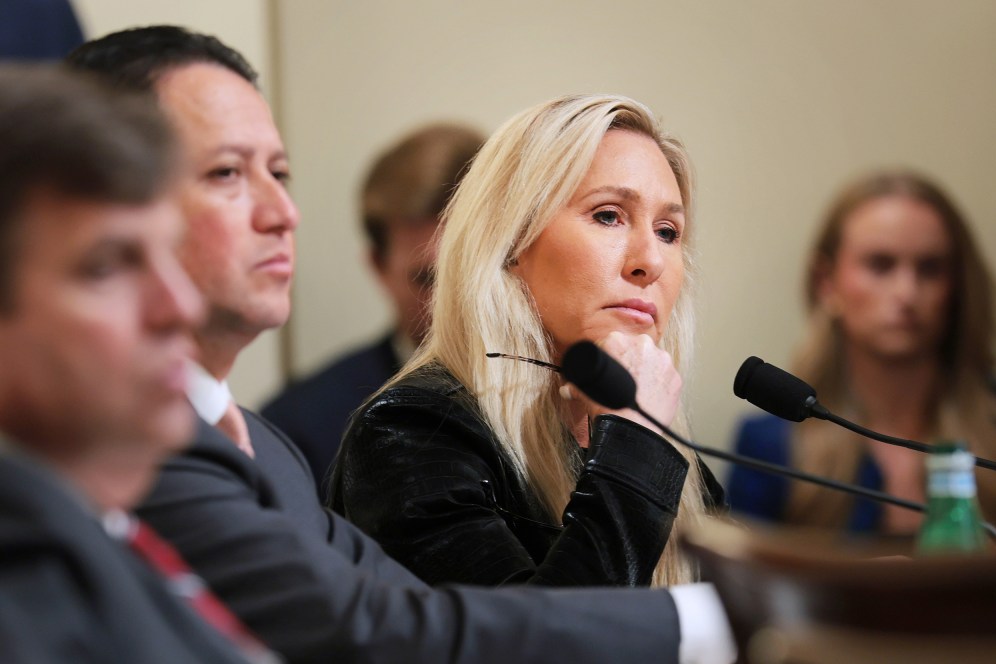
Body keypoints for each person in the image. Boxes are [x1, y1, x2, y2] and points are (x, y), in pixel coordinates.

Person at [68, 26, 735, 664]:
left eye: (672, 232)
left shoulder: (264, 448)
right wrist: (725, 614)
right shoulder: (413, 428)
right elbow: (393, 636)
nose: (283, 212)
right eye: (225, 173)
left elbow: (401, 612)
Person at [331, 94, 725, 589]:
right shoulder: (412, 433)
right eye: (608, 215)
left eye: (668, 231)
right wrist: (635, 450)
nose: (651, 260)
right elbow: (544, 645)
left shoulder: (677, 463)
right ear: (512, 242)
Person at [0, 63, 262, 663]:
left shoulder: (99, 533)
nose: (180, 306)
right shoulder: (22, 592)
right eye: (107, 266)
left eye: (168, 252)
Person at [727, 170, 996, 534]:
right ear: (827, 283)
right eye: (880, 265)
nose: (907, 292)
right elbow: (739, 587)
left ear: (957, 287)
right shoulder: (771, 446)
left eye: (930, 268)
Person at [263, 123, 485, 498]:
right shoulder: (301, 429)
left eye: (478, 272)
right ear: (378, 268)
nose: (459, 302)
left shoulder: (583, 405)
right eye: (429, 279)